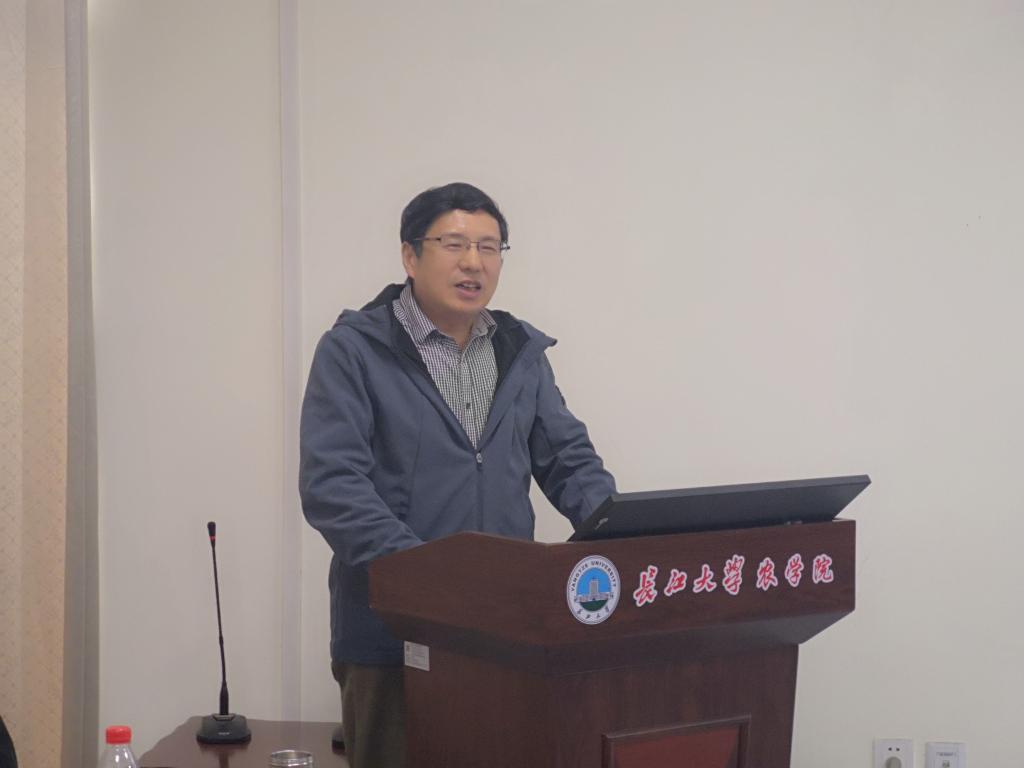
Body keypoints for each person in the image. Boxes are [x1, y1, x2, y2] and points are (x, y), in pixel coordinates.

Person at [299, 182, 615, 768]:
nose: (474, 262)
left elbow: (569, 462)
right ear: (410, 255)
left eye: (490, 247)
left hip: (505, 628)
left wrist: (619, 533)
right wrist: (432, 578)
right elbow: (333, 487)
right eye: (454, 244)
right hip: (392, 633)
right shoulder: (355, 350)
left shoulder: (519, 351)